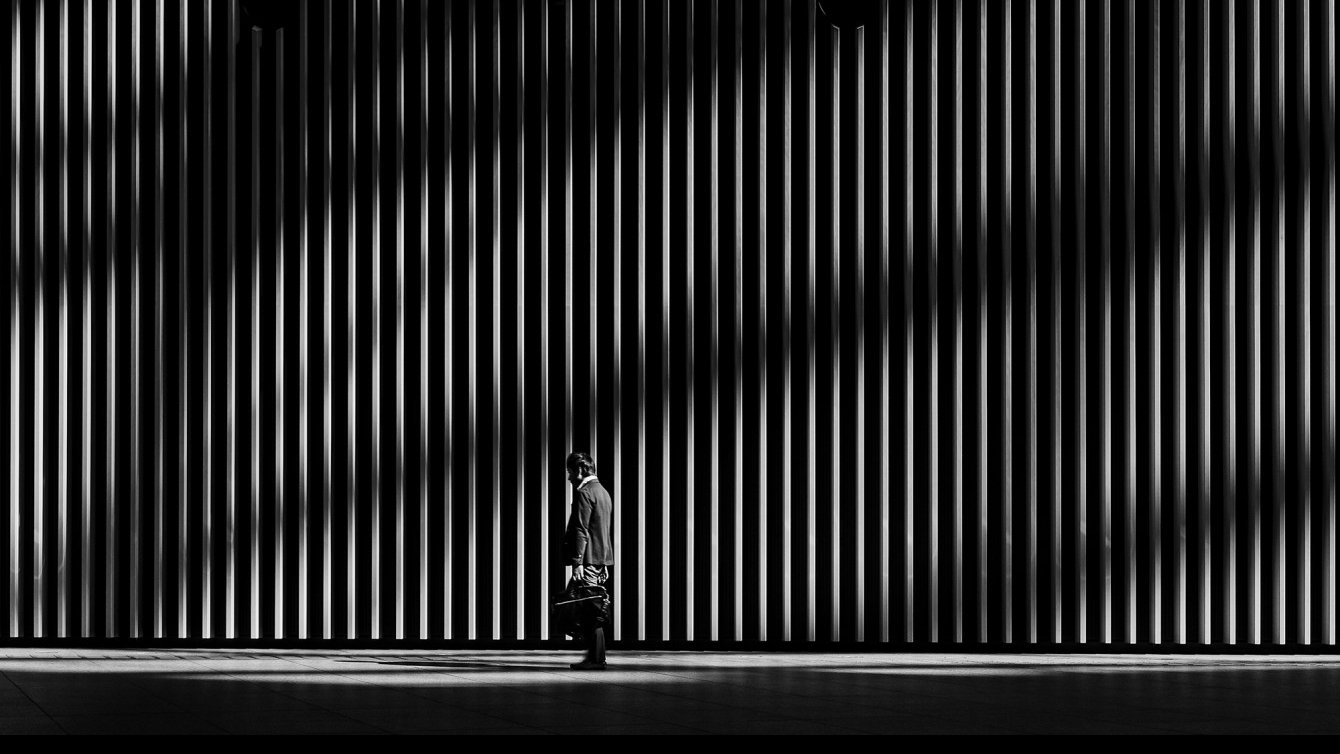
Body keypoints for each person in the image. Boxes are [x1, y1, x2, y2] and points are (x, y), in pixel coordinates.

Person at [562, 451, 613, 670]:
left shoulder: (584, 493)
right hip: (601, 559)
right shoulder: (603, 492)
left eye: (570, 472)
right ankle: (596, 657)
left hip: (588, 559)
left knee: (589, 610)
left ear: (580, 470)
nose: (569, 478)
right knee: (593, 607)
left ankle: (595, 659)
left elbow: (581, 530)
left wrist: (577, 563)